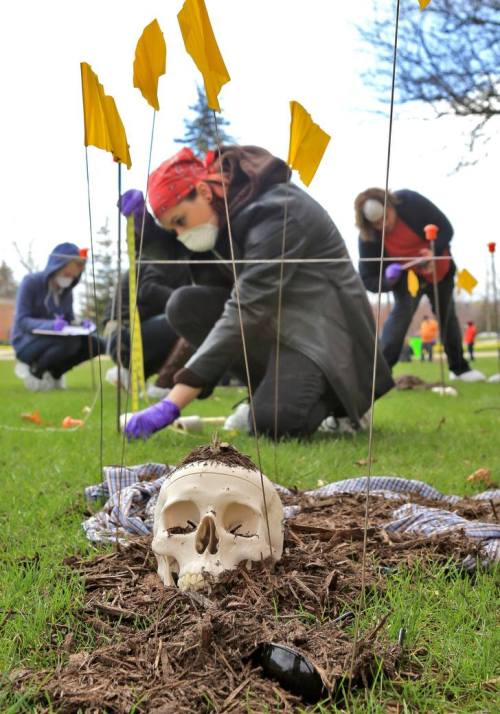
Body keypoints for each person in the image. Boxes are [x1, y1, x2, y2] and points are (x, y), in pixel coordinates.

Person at [124, 145, 394, 441]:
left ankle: (344, 405)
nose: (180, 233)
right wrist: (146, 230)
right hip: (281, 326)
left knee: (274, 423)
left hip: (323, 336)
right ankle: (266, 391)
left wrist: (171, 404)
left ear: (203, 190)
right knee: (185, 305)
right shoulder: (225, 212)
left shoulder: (279, 213)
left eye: (179, 221)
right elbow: (183, 250)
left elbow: (247, 308)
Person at [355, 188, 485, 382]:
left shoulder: (410, 202)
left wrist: (432, 250)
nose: (384, 225)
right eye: (376, 224)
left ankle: (459, 368)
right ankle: (379, 375)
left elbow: (446, 228)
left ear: (390, 205)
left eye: (386, 217)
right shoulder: (368, 239)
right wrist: (389, 280)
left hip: (440, 269)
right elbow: (368, 280)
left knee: (446, 314)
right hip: (407, 278)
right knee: (402, 313)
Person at [104, 189, 192, 398]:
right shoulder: (156, 257)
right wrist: (186, 298)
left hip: (137, 328)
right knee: (188, 318)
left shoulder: (181, 255)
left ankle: (131, 374)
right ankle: (161, 383)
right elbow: (147, 291)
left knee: (188, 317)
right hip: (122, 334)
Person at [11, 243, 104, 391]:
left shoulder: (67, 291)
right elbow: (22, 320)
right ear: (56, 267)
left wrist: (79, 324)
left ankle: (56, 372)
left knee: (97, 343)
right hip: (26, 342)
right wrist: (52, 325)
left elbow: (68, 319)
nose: (70, 279)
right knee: (71, 343)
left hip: (59, 339)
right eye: (67, 275)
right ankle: (37, 371)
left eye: (73, 277)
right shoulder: (30, 282)